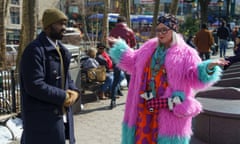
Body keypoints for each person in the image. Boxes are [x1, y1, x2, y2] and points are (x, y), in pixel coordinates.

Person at [107, 14, 229, 144]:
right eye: (158, 30)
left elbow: (196, 77)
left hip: (169, 108)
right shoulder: (148, 47)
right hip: (145, 105)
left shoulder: (186, 53)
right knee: (142, 137)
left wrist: (209, 67)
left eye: (164, 29)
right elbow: (132, 62)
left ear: (174, 30)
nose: (160, 33)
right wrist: (119, 48)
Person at [19, 8, 79, 144]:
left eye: (65, 24)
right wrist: (63, 96)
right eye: (59, 24)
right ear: (47, 27)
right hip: (41, 123)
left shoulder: (61, 50)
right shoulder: (34, 50)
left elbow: (67, 79)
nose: (64, 28)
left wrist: (75, 92)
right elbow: (34, 85)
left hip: (61, 118)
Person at [109, 16, 137, 109]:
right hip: (127, 58)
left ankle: (112, 100)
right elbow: (133, 44)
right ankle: (131, 100)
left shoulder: (112, 31)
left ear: (117, 22)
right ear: (125, 22)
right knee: (130, 79)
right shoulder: (129, 31)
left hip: (116, 58)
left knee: (116, 79)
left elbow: (110, 43)